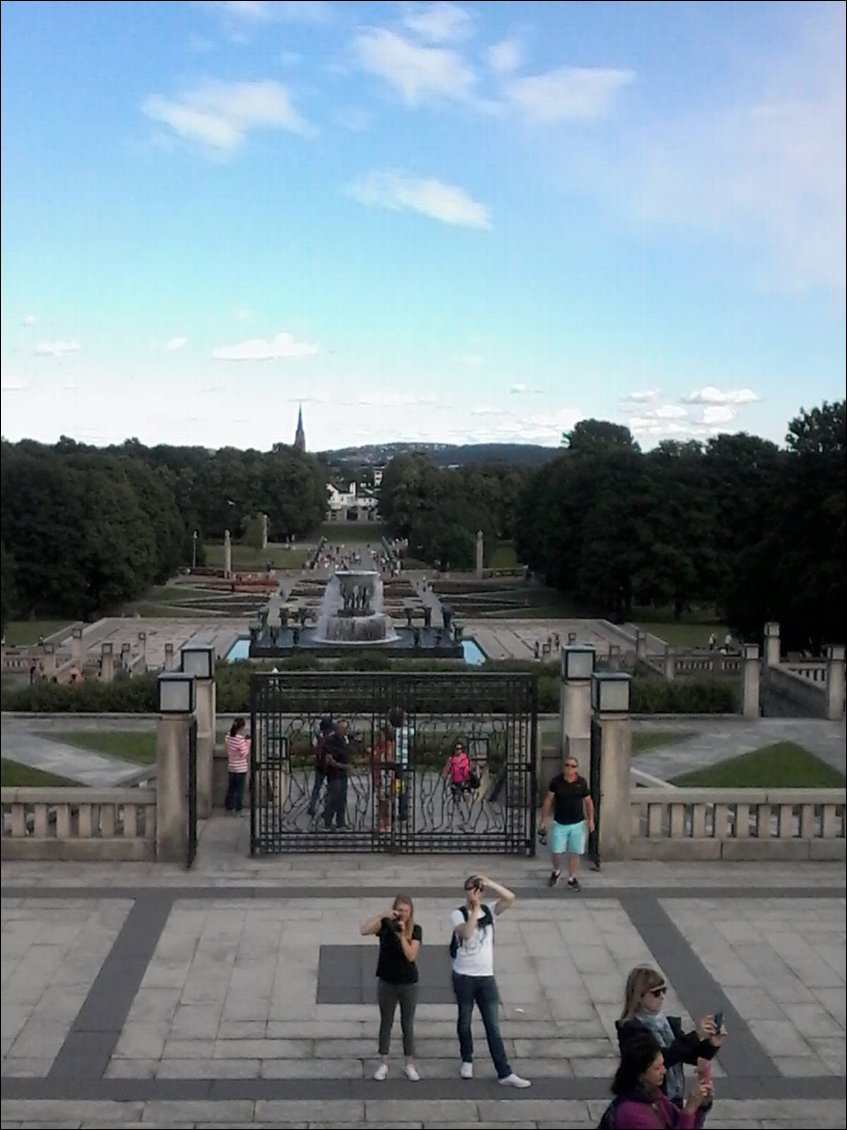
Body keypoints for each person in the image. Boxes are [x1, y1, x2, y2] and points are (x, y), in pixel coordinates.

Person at [449, 874, 530, 1088]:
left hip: (486, 977)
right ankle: (467, 1058)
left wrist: (490, 882)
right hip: (464, 976)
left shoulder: (489, 910)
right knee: (464, 1021)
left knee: (493, 1025)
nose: (473, 892)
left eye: (477, 888)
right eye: (470, 888)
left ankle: (504, 1071)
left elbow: (510, 898)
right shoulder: (457, 914)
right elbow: (466, 933)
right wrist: (474, 908)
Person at [617, 966, 725, 1108]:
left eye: (664, 991)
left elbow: (691, 1055)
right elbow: (661, 1059)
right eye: (656, 993)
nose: (662, 996)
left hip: (673, 1096)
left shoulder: (666, 1024)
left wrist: (712, 1043)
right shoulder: (631, 1029)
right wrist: (696, 1035)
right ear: (640, 996)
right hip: (648, 1099)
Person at [360, 894, 422, 1081]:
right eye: (399, 910)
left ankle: (409, 1063)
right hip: (387, 981)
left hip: (408, 983)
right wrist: (382, 916)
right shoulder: (386, 925)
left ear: (410, 912)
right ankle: (383, 1063)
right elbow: (364, 930)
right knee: (386, 1022)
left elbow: (411, 956)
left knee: (407, 1024)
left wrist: (402, 935)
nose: (402, 914)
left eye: (406, 911)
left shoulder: (415, 930)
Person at [605, 1029, 712, 1128]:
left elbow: (679, 1122)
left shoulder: (653, 1094)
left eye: (663, 1065)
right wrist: (689, 1110)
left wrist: (700, 1105)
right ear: (640, 1074)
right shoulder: (631, 1114)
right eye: (657, 1068)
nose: (664, 1071)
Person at [539, 755, 594, 892]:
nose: (569, 768)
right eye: (567, 765)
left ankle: (572, 877)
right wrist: (543, 820)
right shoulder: (556, 782)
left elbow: (588, 802)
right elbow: (548, 800)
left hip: (577, 823)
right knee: (556, 851)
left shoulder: (581, 782)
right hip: (560, 822)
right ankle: (557, 870)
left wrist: (591, 820)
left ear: (576, 769)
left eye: (572, 766)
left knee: (575, 852)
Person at [323, 717, 350, 830]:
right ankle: (328, 823)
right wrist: (343, 766)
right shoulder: (331, 740)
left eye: (345, 728)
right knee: (333, 799)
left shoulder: (344, 740)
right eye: (341, 728)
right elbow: (328, 759)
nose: (343, 731)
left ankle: (341, 822)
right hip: (334, 774)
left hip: (343, 774)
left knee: (342, 799)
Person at [307, 717, 334, 817]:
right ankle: (318, 807)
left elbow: (314, 748)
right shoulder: (327, 737)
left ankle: (315, 807)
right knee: (324, 788)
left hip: (323, 765)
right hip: (325, 765)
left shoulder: (320, 737)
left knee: (320, 788)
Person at [371, 724, 395, 834]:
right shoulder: (378, 747)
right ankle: (381, 822)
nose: (379, 737)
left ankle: (388, 822)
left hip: (387, 776)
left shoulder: (389, 746)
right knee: (381, 801)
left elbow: (390, 761)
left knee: (388, 801)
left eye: (381, 735)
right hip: (378, 776)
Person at [443, 740, 474, 823]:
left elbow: (469, 769)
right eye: (457, 749)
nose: (458, 750)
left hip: (464, 781)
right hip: (455, 782)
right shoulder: (451, 759)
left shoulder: (465, 759)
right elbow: (447, 770)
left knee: (466, 800)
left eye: (460, 749)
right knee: (456, 800)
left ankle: (467, 817)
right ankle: (462, 817)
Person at [224, 717, 250, 815]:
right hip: (241, 768)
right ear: (241, 727)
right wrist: (247, 742)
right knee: (239, 790)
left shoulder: (228, 737)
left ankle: (228, 807)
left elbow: (227, 749)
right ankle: (238, 809)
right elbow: (244, 753)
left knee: (231, 788)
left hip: (231, 766)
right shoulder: (240, 739)